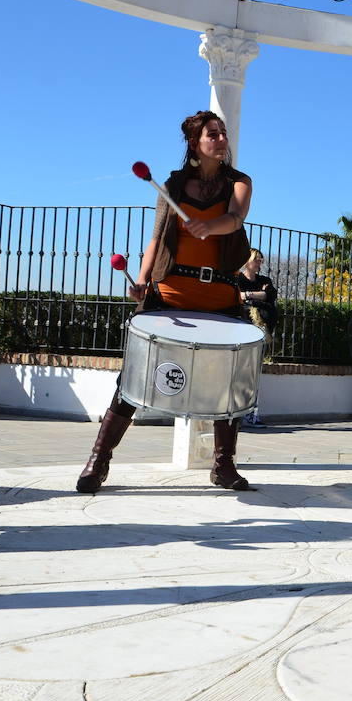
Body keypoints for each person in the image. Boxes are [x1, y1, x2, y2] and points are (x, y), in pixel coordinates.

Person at [76, 111, 255, 494]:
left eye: (223, 133)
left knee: (229, 383)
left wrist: (210, 225)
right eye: (213, 134)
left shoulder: (239, 182)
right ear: (195, 143)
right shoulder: (172, 185)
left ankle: (223, 466)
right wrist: (141, 280)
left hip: (220, 298)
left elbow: (236, 218)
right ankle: (98, 461)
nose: (222, 139)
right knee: (133, 380)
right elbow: (157, 239)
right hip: (170, 295)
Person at [236, 247, 278, 428]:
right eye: (257, 259)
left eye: (261, 260)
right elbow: (235, 297)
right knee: (238, 371)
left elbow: (271, 295)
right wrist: (258, 295)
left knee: (254, 373)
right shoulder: (238, 278)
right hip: (242, 329)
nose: (260, 263)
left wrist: (248, 296)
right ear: (247, 260)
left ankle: (252, 413)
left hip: (260, 330)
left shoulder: (264, 280)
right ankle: (234, 412)